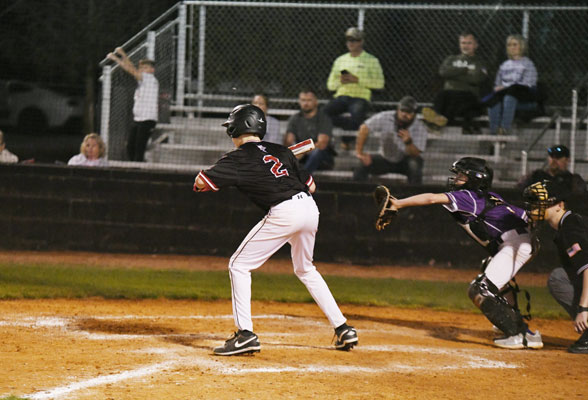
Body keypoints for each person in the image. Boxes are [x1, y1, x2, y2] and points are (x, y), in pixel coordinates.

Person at [193, 104, 358, 356]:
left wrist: (216, 172)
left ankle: (245, 335)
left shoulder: (237, 158)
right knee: (305, 269)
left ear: (236, 128)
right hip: (309, 208)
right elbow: (312, 186)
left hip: (284, 211)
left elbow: (201, 183)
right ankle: (343, 328)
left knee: (239, 265)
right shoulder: (280, 151)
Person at [386, 157, 542, 349]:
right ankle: (515, 325)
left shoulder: (468, 196)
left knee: (480, 289)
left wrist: (398, 203)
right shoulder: (492, 196)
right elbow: (527, 217)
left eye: (462, 175)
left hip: (514, 244)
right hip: (521, 241)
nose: (456, 178)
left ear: (475, 179)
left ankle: (519, 334)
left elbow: (432, 198)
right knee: (491, 272)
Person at [523, 180, 588, 353]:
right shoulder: (568, 224)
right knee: (567, 276)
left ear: (560, 205)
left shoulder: (570, 226)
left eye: (543, 203)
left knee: (558, 278)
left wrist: (584, 309)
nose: (536, 207)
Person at [325, 27, 385, 148]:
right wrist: (340, 82)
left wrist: (358, 80)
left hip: (360, 97)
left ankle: (345, 141)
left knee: (357, 115)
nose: (350, 43)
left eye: (354, 40)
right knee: (321, 114)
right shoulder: (340, 60)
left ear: (361, 41)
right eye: (348, 40)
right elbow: (330, 85)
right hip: (342, 96)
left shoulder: (372, 60)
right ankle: (325, 140)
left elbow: (380, 84)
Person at [422, 32, 489, 135]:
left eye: (469, 43)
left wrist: (453, 75)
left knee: (454, 97)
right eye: (463, 43)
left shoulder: (479, 62)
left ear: (476, 45)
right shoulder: (451, 59)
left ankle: (437, 123)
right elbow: (443, 72)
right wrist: (464, 70)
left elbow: (476, 78)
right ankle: (437, 118)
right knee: (442, 95)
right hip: (449, 96)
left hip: (469, 96)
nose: (465, 46)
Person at [353, 96, 426, 184]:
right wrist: (360, 153)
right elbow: (364, 128)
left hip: (405, 161)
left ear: (414, 114)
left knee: (415, 165)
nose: (404, 114)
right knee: (361, 164)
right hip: (384, 158)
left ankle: (413, 192)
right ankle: (359, 191)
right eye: (402, 110)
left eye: (408, 112)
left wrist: (408, 142)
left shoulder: (420, 127)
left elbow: (416, 153)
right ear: (398, 110)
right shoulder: (385, 117)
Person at [107, 47, 159, 161]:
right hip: (138, 119)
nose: (142, 70)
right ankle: (135, 167)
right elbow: (132, 68)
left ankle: (138, 168)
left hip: (147, 120)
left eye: (145, 68)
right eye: (141, 68)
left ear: (152, 70)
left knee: (139, 148)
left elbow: (131, 70)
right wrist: (122, 55)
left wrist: (118, 57)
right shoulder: (142, 81)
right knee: (130, 146)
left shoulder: (150, 79)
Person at [484, 34, 538, 135]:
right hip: (506, 94)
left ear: (521, 46)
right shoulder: (504, 65)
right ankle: (494, 132)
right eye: (509, 45)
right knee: (493, 99)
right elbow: (497, 84)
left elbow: (528, 84)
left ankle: (504, 129)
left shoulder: (528, 64)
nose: (512, 47)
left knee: (511, 93)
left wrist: (506, 87)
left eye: (515, 44)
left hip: (522, 95)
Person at [284, 88, 336, 173]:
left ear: (316, 102)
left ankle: (303, 178)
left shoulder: (323, 118)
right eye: (303, 100)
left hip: (322, 158)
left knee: (317, 152)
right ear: (299, 102)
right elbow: (288, 141)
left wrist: (302, 150)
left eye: (309, 100)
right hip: (302, 156)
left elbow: (322, 144)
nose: (305, 103)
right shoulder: (295, 118)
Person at [518, 144, 586, 195]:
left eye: (558, 157)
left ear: (567, 160)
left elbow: (579, 200)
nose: (554, 160)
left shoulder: (573, 180)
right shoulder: (536, 175)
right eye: (551, 157)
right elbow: (518, 191)